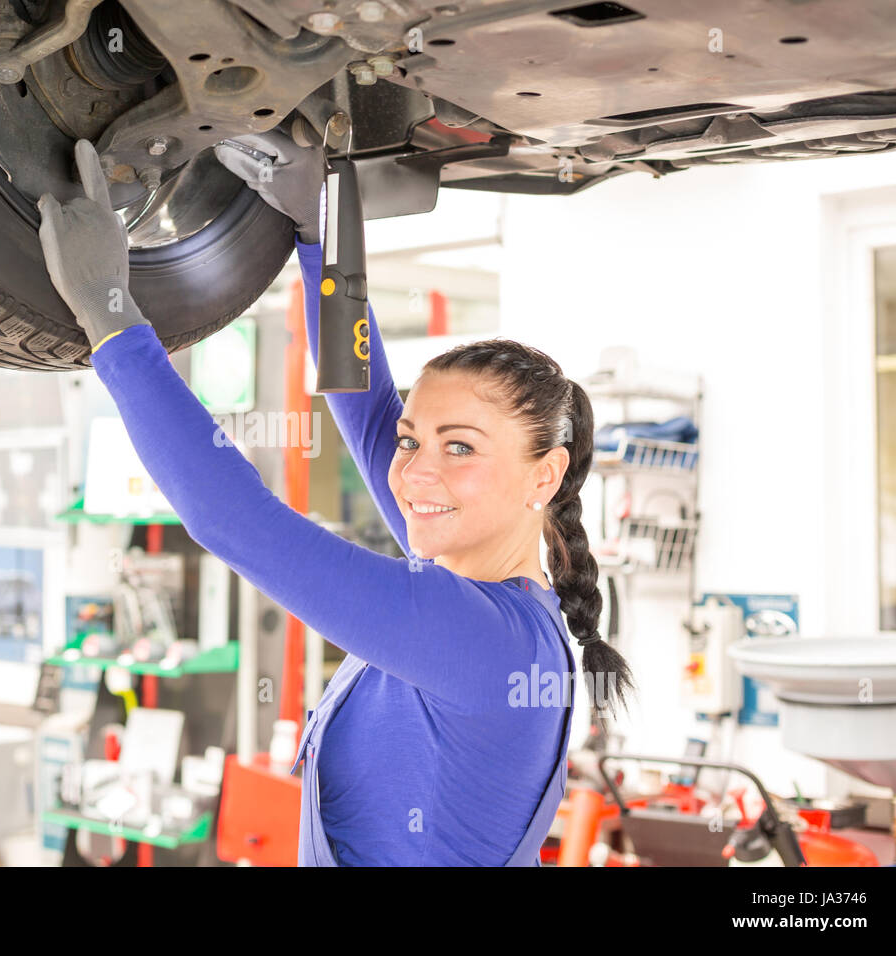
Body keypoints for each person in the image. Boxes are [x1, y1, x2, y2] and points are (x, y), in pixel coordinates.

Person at [37, 135, 635, 866]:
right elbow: (367, 403)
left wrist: (112, 318)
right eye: (415, 440)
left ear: (544, 476)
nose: (413, 472)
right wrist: (323, 234)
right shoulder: (475, 584)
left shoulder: (481, 638)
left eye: (461, 446)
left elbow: (238, 523)